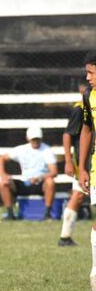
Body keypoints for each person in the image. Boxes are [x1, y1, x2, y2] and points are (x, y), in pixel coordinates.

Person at [0, 125, 57, 220]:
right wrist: (3, 174)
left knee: (50, 182)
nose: (36, 142)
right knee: (3, 183)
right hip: (24, 182)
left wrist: (40, 178)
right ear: (28, 139)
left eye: (38, 139)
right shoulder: (21, 149)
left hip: (40, 183)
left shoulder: (47, 150)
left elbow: (54, 171)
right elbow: (0, 159)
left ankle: (47, 213)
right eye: (33, 139)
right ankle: (10, 214)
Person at [59, 84, 88, 246]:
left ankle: (65, 237)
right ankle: (65, 237)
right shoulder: (79, 109)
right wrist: (69, 161)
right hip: (83, 160)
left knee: (78, 196)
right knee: (77, 195)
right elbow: (67, 135)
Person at [78, 52, 96, 291]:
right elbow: (86, 130)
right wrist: (82, 166)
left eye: (91, 72)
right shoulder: (88, 96)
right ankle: (95, 273)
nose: (87, 77)